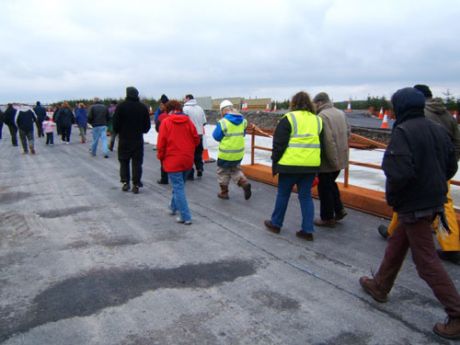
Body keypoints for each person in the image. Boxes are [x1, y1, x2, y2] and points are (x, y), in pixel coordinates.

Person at [359, 87, 460, 340]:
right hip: (432, 199)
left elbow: (398, 173)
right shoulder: (437, 129)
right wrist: (433, 186)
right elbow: (451, 165)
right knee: (397, 242)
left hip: (414, 204)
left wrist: (395, 198)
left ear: (400, 108)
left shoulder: (403, 132)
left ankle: (457, 313)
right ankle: (380, 285)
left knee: (426, 262)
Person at [377, 84, 460, 264]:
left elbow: (404, 155)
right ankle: (451, 244)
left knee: (409, 201)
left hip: (420, 171)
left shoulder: (418, 116)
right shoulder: (447, 115)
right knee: (445, 203)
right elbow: (455, 142)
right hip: (441, 169)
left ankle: (449, 249)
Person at [263, 91, 322, 241]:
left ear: (293, 103)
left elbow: (279, 144)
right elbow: (322, 144)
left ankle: (276, 224)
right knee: (306, 197)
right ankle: (307, 230)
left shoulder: (288, 118)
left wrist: (275, 162)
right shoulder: (318, 120)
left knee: (283, 194)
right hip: (310, 166)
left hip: (289, 165)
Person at [157, 100, 199, 224]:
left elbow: (161, 143)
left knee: (178, 187)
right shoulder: (188, 121)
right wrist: (189, 149)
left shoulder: (166, 122)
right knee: (179, 185)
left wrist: (161, 157)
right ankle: (173, 207)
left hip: (172, 160)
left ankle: (185, 216)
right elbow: (196, 138)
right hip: (187, 159)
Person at [313, 92, 350, 227]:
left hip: (329, 160)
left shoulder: (322, 116)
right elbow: (348, 132)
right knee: (331, 184)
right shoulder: (340, 113)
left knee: (324, 188)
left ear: (320, 102)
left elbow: (327, 141)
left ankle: (327, 217)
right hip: (342, 156)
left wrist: (332, 160)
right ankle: (339, 209)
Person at [112, 87, 151, 193]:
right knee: (137, 162)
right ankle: (136, 183)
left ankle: (125, 182)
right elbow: (147, 126)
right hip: (137, 139)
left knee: (124, 161)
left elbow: (115, 124)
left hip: (124, 139)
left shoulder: (120, 107)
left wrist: (119, 131)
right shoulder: (142, 107)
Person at [212, 100, 252, 200]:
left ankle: (224, 193)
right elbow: (243, 134)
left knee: (223, 172)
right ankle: (244, 183)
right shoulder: (243, 120)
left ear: (223, 110)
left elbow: (216, 136)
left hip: (225, 154)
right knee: (235, 170)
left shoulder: (223, 122)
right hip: (238, 153)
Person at [183, 94, 207, 180]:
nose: (183, 100)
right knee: (198, 153)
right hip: (199, 134)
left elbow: (184, 123)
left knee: (189, 154)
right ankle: (199, 168)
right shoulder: (200, 108)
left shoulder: (185, 109)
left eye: (184, 98)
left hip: (189, 135)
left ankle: (190, 173)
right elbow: (204, 122)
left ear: (188, 98)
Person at [155, 96, 170, 184]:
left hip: (164, 139)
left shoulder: (162, 115)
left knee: (163, 159)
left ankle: (164, 178)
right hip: (174, 140)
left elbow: (157, 128)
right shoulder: (178, 114)